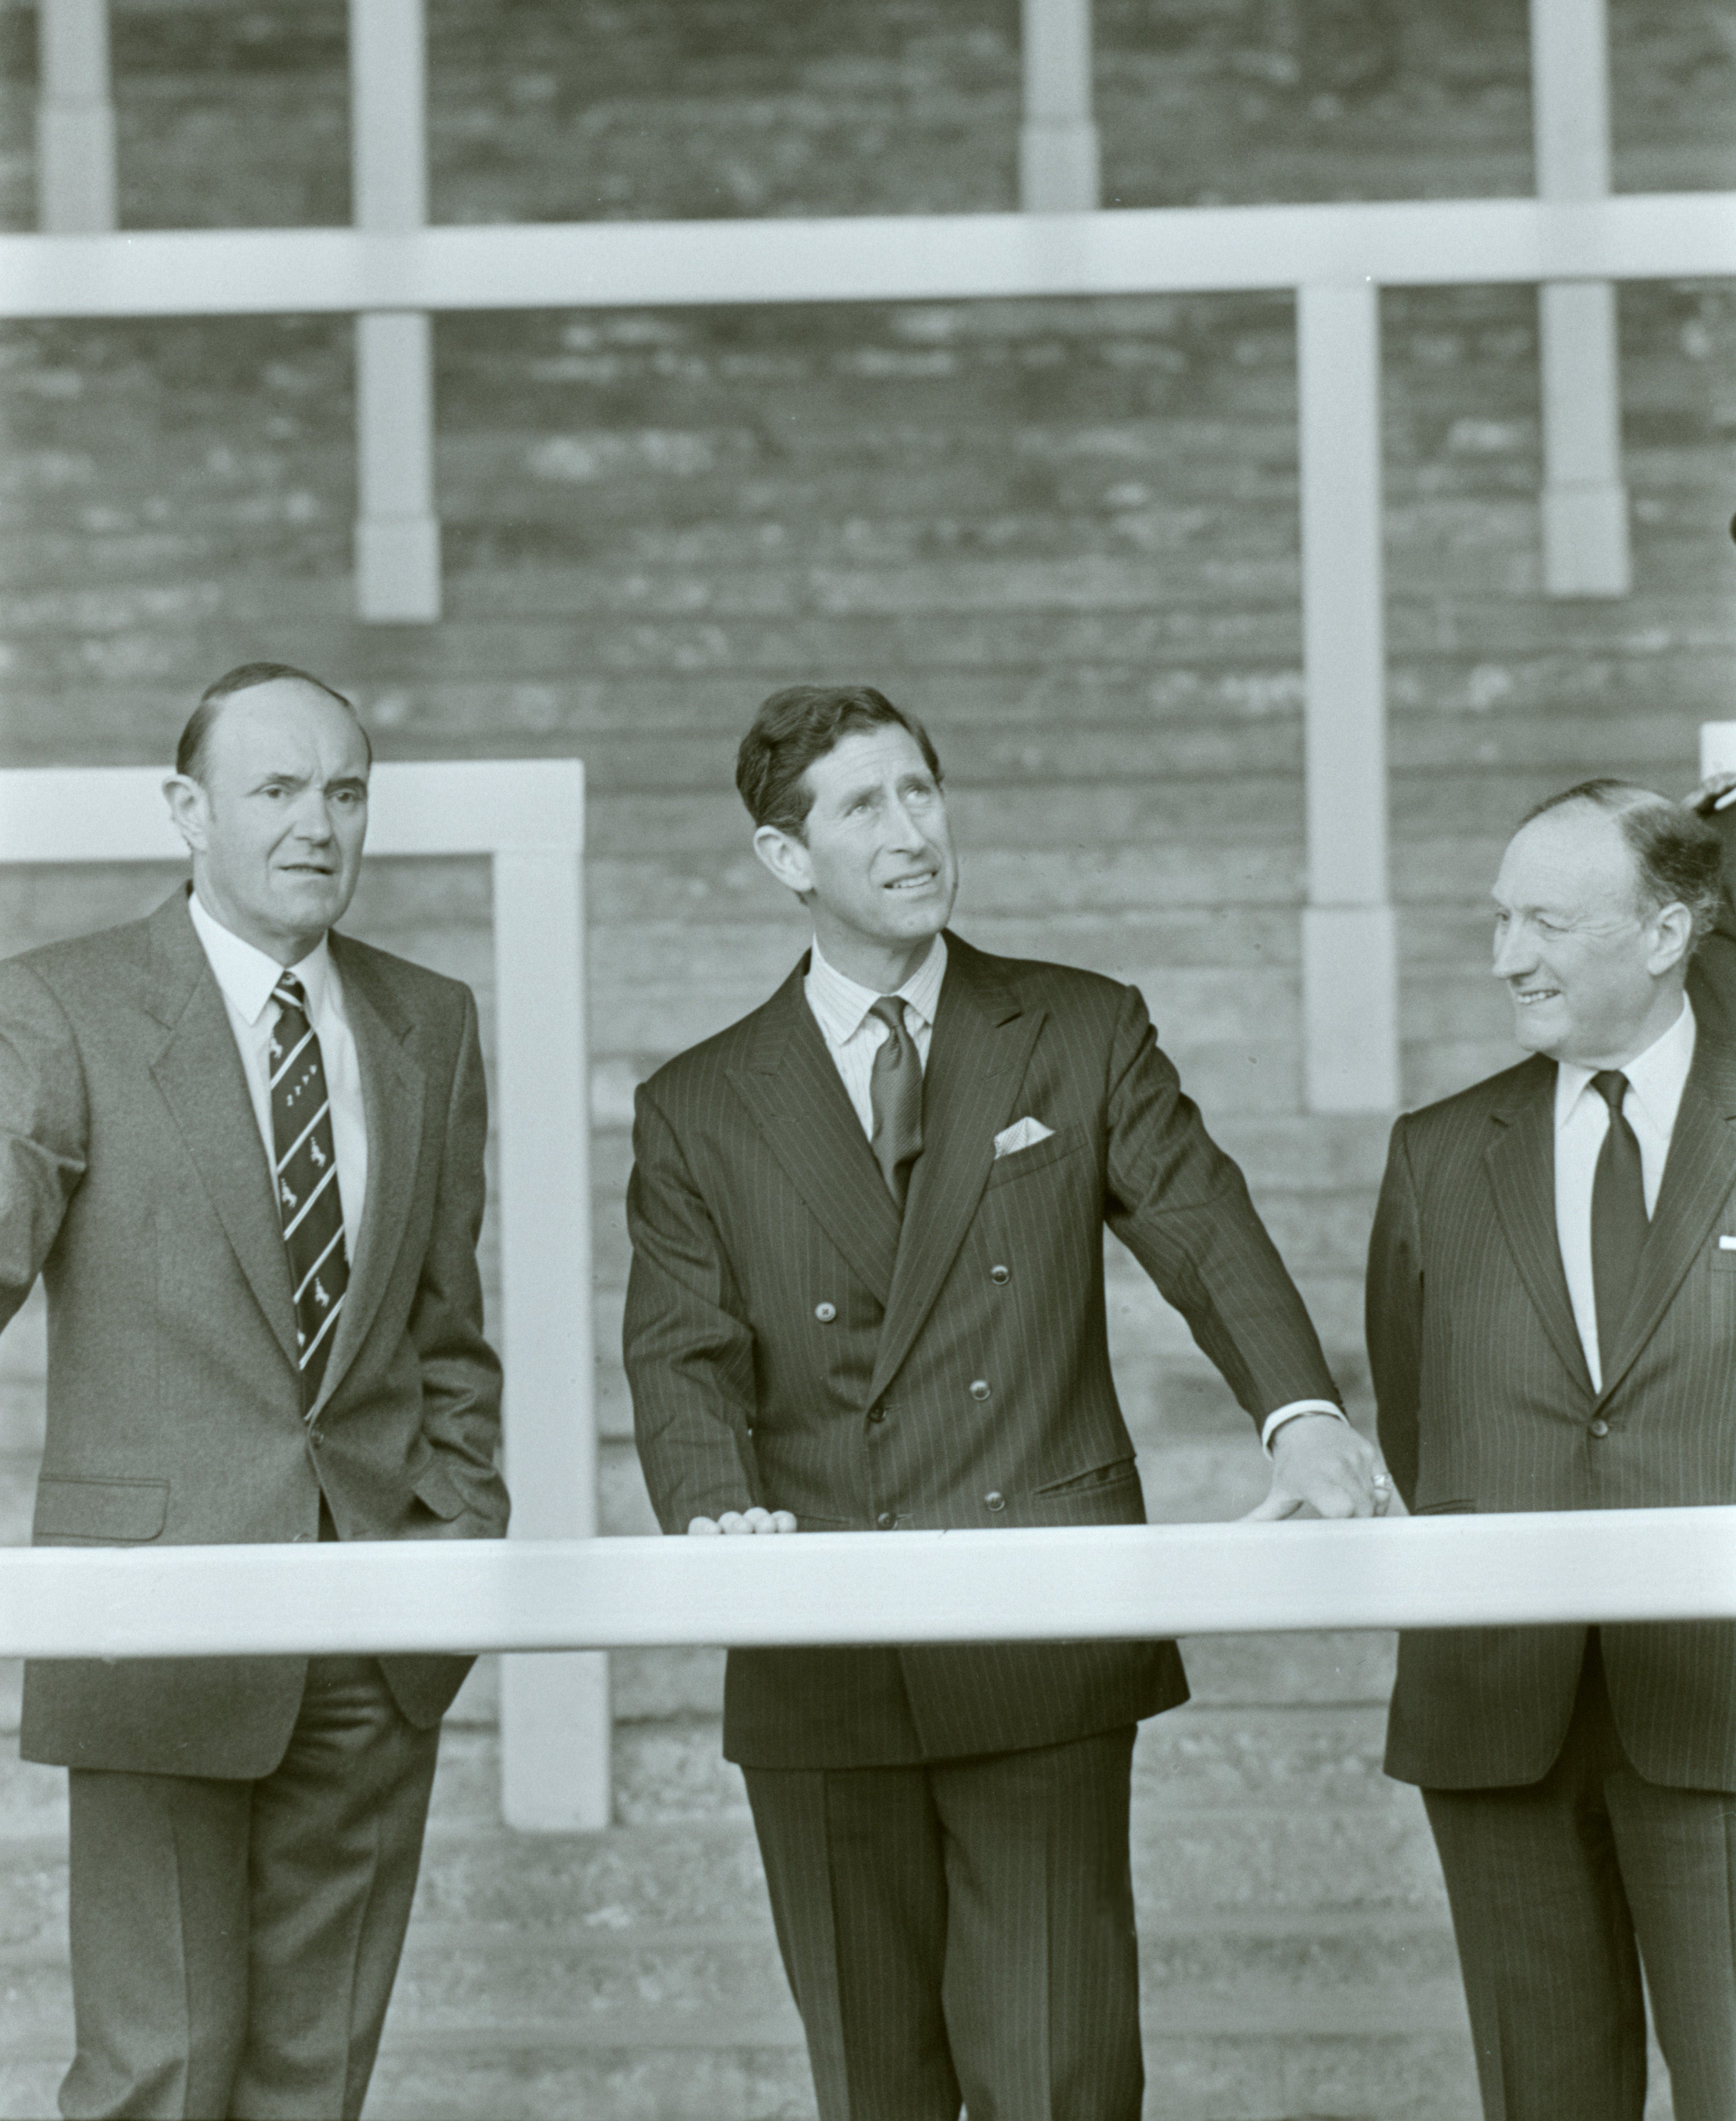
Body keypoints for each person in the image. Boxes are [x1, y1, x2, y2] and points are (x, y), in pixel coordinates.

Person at [624, 683, 1387, 2121]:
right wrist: (714, 1509)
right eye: (865, 807)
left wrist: (1304, 1414)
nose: (913, 832)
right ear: (787, 861)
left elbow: (1203, 1229)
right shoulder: (701, 1103)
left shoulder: (1079, 1029)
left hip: (1039, 1626)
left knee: (1061, 2078)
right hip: (824, 1646)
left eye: (922, 791)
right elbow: (680, 1354)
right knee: (874, 2084)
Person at [0, 663, 509, 2121]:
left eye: (345, 792)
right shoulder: (60, 1009)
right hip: (154, 1627)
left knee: (313, 2086)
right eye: (276, 790)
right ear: (188, 810)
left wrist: (451, 1555)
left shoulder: (429, 1021)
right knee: (155, 2077)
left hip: (372, 1640)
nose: (318, 825)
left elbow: (445, 1334)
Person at [1366, 778, 1736, 2121]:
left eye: (1547, 923)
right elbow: (1416, 1420)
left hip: (1721, 1708)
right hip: (1500, 1717)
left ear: (1666, 932)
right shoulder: (1437, 1156)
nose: (1506, 957)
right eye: (1498, 919)